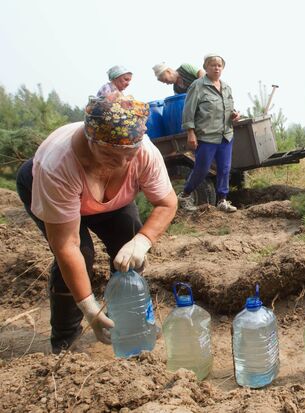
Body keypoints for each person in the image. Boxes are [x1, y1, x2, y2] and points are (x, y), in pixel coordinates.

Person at [15, 93, 177, 353]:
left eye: (130, 154)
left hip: (111, 199)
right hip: (53, 188)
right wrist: (89, 306)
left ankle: (128, 321)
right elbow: (67, 244)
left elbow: (167, 203)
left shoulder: (143, 152)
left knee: (128, 239)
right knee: (82, 253)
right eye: (112, 155)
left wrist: (141, 242)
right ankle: (66, 338)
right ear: (91, 140)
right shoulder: (57, 164)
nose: (123, 163)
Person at [177, 53, 240, 212]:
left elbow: (230, 108)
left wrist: (235, 115)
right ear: (206, 67)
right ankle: (184, 195)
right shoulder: (197, 86)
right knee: (202, 169)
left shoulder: (226, 87)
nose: (216, 68)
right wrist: (190, 133)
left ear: (223, 68)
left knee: (224, 169)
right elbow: (188, 111)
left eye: (219, 65)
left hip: (225, 135)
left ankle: (222, 201)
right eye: (213, 65)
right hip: (206, 136)